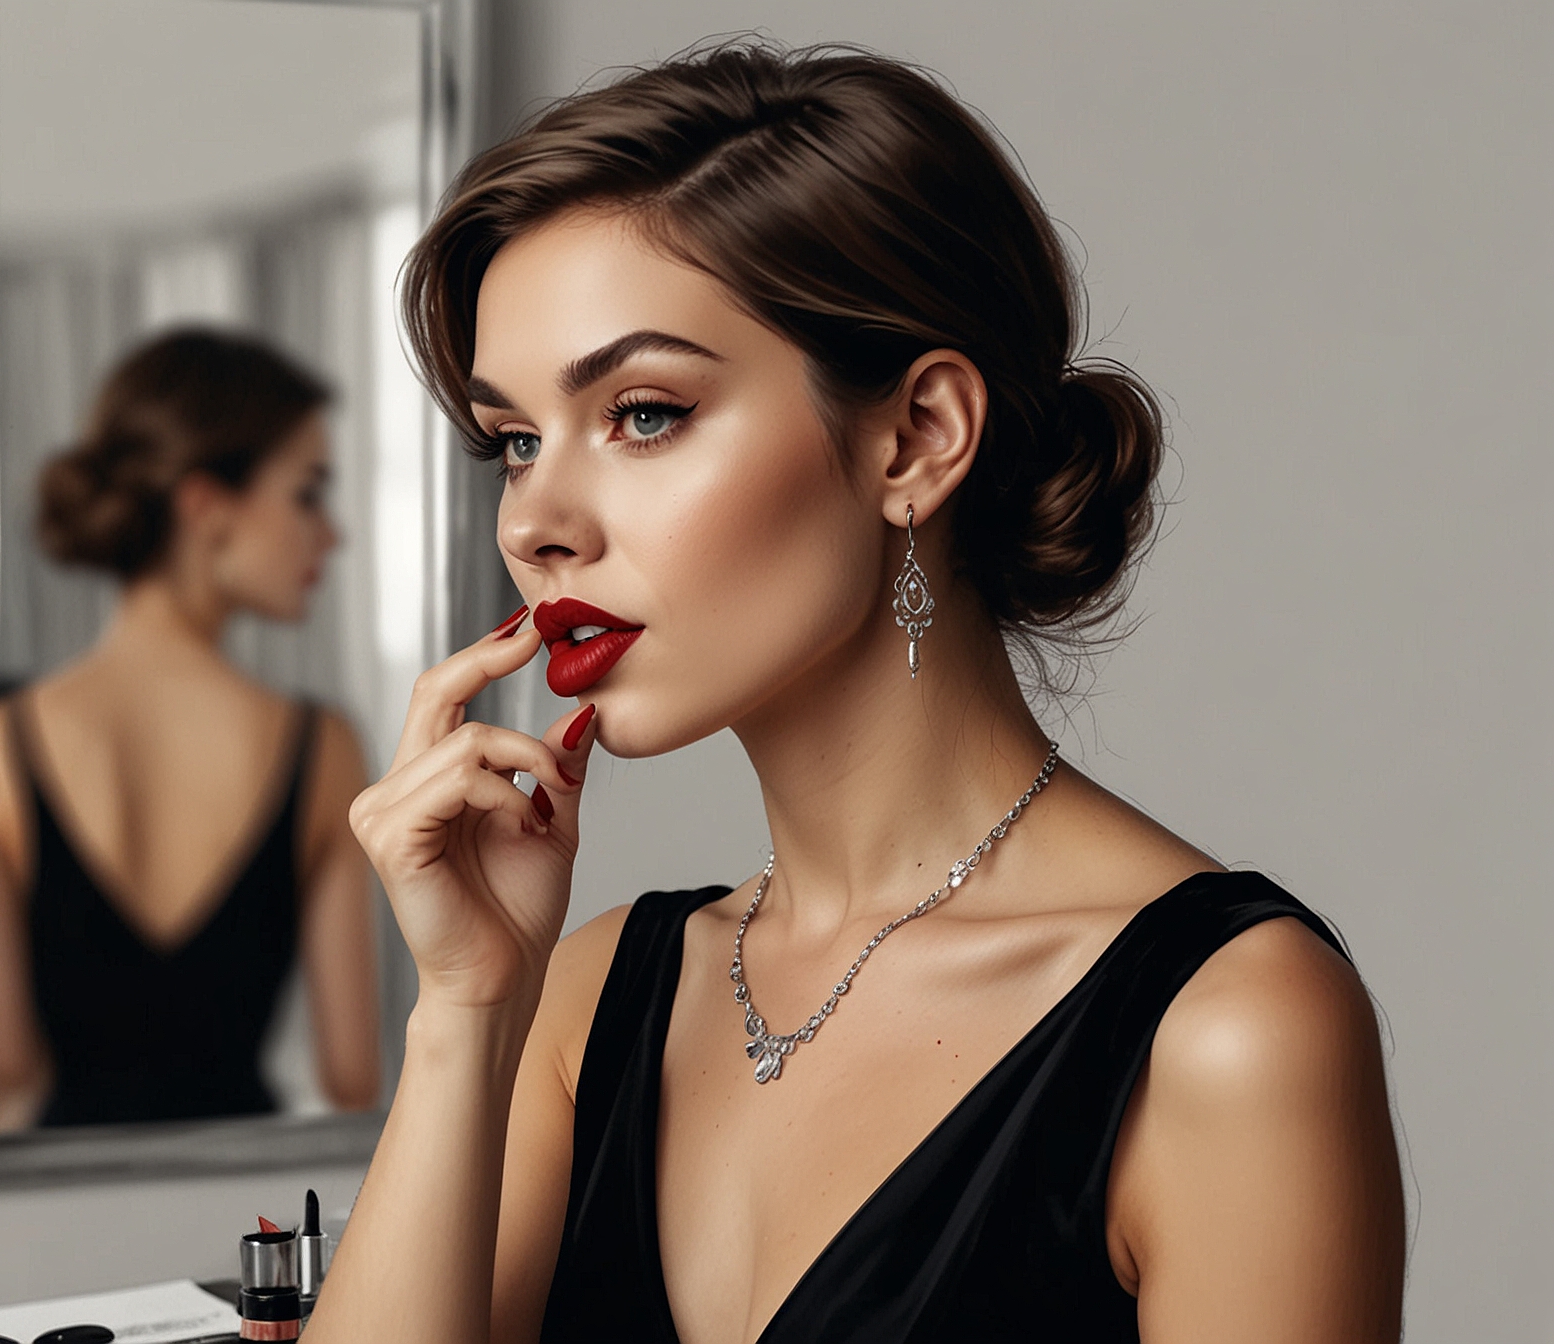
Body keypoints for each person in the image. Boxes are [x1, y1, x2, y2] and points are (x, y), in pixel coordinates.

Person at [310, 43, 1404, 1343]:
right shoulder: (581, 997)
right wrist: (465, 1011)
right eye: (516, 442)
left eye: (646, 413)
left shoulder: (1226, 1028)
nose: (536, 523)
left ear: (918, 438)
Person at [0, 327, 380, 1129]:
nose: (330, 534)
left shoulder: (2, 741)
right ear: (205, 506)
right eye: (307, 492)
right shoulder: (324, 745)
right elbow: (352, 1078)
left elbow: (10, 1069)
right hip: (245, 1193)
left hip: (59, 1204)